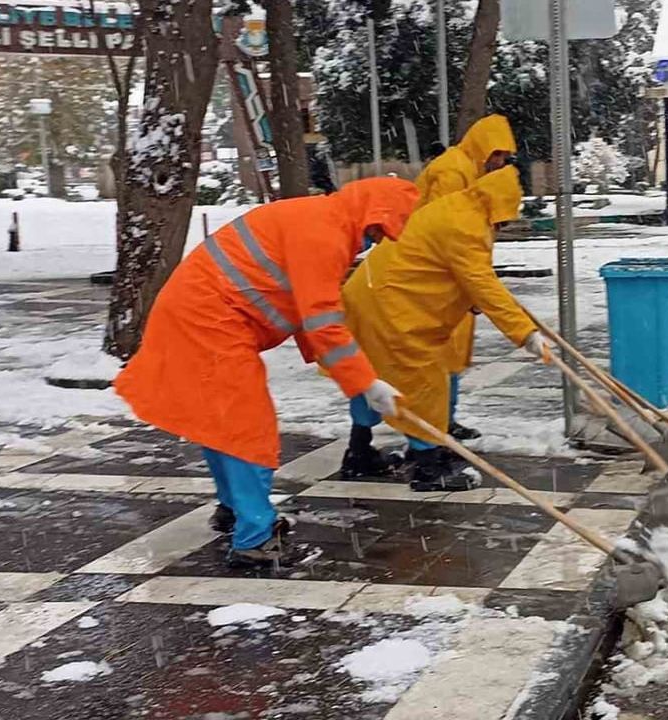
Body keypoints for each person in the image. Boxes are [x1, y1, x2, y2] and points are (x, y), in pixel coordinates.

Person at [114, 178, 420, 565]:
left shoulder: (323, 218)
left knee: (222, 422)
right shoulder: (325, 232)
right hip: (210, 321)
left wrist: (353, 374)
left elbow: (308, 308)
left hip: (200, 314)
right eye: (377, 232)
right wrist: (364, 382)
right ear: (371, 214)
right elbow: (322, 322)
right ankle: (255, 538)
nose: (374, 242)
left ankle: (235, 509)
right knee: (247, 428)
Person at [341, 165, 549, 490]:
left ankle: (358, 453)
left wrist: (472, 300)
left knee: (372, 377)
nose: (504, 225)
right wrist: (525, 333)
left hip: (370, 298)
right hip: (391, 307)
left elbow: (444, 270)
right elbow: (481, 282)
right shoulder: (467, 226)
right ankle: (428, 467)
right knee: (424, 380)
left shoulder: (458, 207)